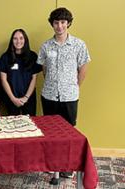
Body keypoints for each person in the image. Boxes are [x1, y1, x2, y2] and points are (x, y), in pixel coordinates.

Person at [37, 7, 91, 184]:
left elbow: (83, 69)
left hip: (69, 96)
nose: (59, 26)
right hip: (49, 95)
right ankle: (54, 166)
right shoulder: (46, 46)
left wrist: (73, 86)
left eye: (62, 22)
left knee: (69, 132)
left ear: (68, 23)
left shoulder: (79, 45)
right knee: (50, 132)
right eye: (56, 22)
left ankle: (67, 167)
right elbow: (44, 69)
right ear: (52, 24)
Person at [0, 29, 42, 116]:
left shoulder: (33, 56)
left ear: (25, 40)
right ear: (12, 41)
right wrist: (13, 98)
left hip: (29, 98)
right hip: (11, 99)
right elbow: (3, 80)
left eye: (21, 38)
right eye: (15, 38)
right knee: (13, 127)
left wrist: (26, 98)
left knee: (30, 125)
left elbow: (34, 79)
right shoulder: (5, 57)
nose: (18, 41)